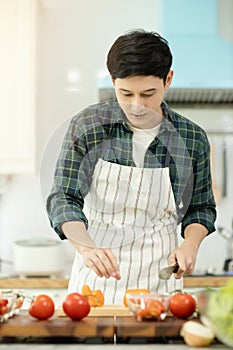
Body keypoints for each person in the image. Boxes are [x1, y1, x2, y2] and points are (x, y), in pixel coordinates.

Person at [46, 29, 216, 304]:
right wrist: (84, 247)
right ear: (112, 81)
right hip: (94, 281)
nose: (137, 105)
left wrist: (190, 244)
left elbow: (200, 208)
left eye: (148, 94)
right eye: (126, 93)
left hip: (159, 283)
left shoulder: (191, 138)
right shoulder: (88, 126)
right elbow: (63, 197)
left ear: (168, 79)